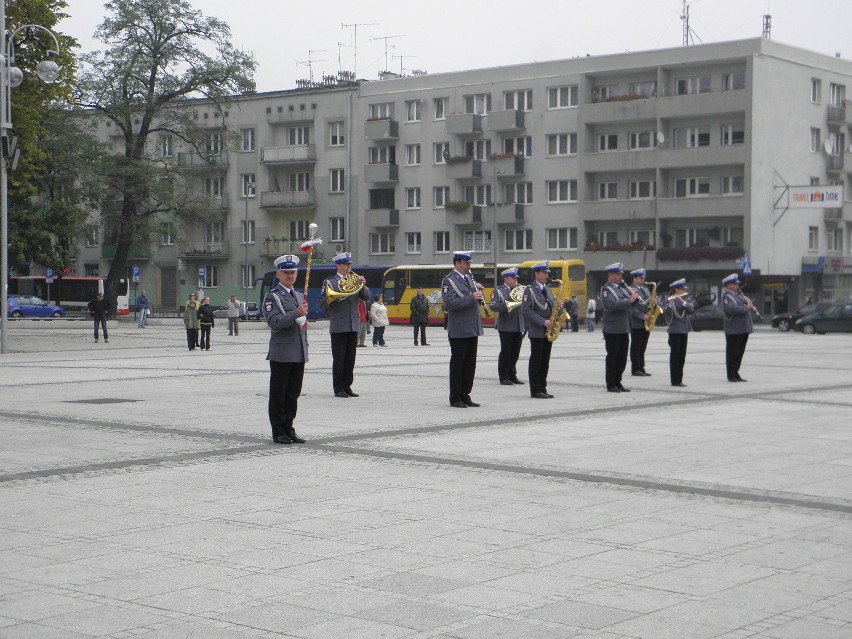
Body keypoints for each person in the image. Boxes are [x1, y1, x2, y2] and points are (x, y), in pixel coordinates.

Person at [264, 254, 308, 444]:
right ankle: (278, 431)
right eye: (286, 272)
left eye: (292, 272)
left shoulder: (299, 295)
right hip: (281, 353)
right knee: (279, 394)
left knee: (293, 394)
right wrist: (296, 313)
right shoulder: (272, 296)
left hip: (298, 352)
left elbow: (301, 325)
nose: (290, 276)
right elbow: (274, 322)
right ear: (278, 274)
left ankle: (289, 428)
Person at [318, 252, 371, 398]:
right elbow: (323, 303)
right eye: (346, 264)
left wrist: (362, 285)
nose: (349, 267)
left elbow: (366, 297)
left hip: (353, 323)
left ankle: (347, 386)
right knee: (339, 358)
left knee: (350, 358)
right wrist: (339, 297)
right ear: (338, 266)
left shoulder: (354, 280)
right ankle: (338, 388)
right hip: (338, 325)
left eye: (350, 264)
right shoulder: (329, 282)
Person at [442, 250, 484, 408]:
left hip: (472, 327)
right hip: (459, 330)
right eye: (467, 263)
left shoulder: (469, 279)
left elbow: (474, 303)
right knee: (458, 364)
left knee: (470, 364)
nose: (469, 266)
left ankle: (465, 394)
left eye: (469, 263)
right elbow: (449, 304)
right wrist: (471, 298)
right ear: (458, 263)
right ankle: (455, 397)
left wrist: (480, 296)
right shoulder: (449, 281)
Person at [599, 262, 639, 392]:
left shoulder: (621, 288)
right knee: (613, 357)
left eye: (620, 274)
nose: (620, 276)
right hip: (612, 329)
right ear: (610, 275)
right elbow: (610, 305)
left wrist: (635, 298)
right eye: (617, 274)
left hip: (623, 328)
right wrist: (630, 300)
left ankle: (618, 381)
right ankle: (611, 384)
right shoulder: (606, 289)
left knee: (622, 358)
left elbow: (628, 305)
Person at [522, 262, 557, 399]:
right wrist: (543, 321)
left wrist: (559, 307)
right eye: (544, 273)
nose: (547, 275)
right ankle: (535, 389)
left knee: (545, 361)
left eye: (547, 273)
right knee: (536, 360)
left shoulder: (547, 289)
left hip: (549, 331)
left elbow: (551, 307)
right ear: (536, 274)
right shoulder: (529, 290)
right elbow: (526, 311)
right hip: (537, 331)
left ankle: (543, 387)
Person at [490, 267, 525, 385]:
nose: (515, 280)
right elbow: (494, 306)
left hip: (518, 325)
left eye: (516, 278)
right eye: (513, 278)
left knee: (515, 352)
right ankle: (504, 376)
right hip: (506, 326)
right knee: (506, 351)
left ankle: (512, 374)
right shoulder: (499, 291)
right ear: (506, 278)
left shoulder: (519, 290)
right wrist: (509, 303)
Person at [721, 273, 754, 382]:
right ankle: (731, 375)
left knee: (739, 353)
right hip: (734, 330)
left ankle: (736, 372)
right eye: (734, 284)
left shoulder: (739, 295)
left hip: (743, 329)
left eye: (737, 284)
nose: (737, 286)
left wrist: (748, 304)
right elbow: (732, 309)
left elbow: (745, 306)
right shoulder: (727, 297)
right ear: (728, 285)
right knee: (732, 353)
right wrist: (746, 307)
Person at [663, 278, 694, 387]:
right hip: (675, 331)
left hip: (684, 330)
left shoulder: (684, 299)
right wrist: (671, 304)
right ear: (676, 290)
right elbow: (666, 313)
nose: (683, 291)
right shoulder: (669, 299)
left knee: (682, 356)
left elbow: (691, 309)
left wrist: (683, 301)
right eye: (681, 289)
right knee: (675, 356)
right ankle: (675, 380)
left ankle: (679, 378)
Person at [628, 268, 653, 377]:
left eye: (644, 278)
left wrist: (654, 304)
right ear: (635, 278)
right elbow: (631, 308)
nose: (643, 280)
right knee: (636, 346)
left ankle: (641, 367)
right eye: (641, 278)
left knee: (643, 346)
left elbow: (648, 304)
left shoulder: (646, 290)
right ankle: (635, 368)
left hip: (646, 322)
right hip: (637, 322)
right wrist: (642, 316)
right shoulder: (630, 290)